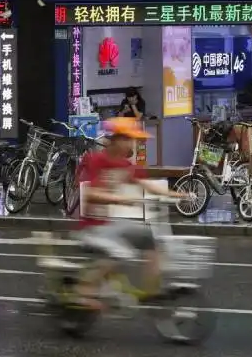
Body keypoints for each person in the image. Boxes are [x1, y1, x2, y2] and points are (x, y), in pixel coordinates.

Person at [75, 117, 185, 309]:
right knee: (121, 253)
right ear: (117, 140)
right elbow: (89, 194)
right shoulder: (94, 160)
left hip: (110, 225)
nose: (132, 144)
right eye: (129, 139)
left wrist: (177, 195)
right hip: (92, 228)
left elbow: (147, 186)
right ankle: (84, 291)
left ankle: (152, 291)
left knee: (151, 239)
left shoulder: (125, 166)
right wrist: (119, 199)